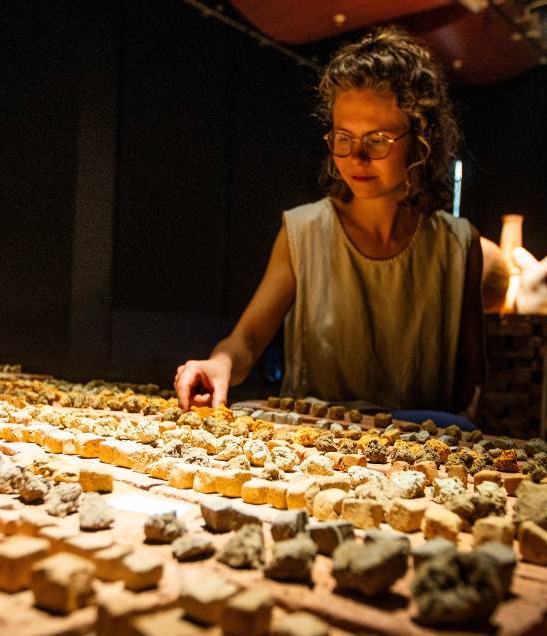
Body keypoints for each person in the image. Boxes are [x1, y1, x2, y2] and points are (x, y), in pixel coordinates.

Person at [175, 28, 485, 424]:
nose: (356, 157)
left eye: (377, 140)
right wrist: (219, 363)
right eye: (343, 137)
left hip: (419, 447)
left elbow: (471, 381)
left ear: (420, 138)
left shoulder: (459, 245)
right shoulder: (302, 232)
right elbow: (248, 340)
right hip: (313, 442)